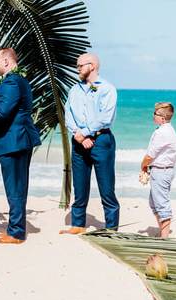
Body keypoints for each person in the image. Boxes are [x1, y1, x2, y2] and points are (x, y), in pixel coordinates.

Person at [0, 48, 41, 244]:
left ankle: (15, 232)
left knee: (14, 187)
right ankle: (16, 228)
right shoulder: (21, 80)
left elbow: (3, 113)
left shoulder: (11, 81)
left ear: (6, 61)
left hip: (14, 141)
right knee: (18, 186)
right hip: (20, 139)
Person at [60, 53, 120, 235]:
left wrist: (86, 133)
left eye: (80, 66)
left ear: (92, 66)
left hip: (102, 141)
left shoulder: (107, 89)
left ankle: (111, 228)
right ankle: (78, 224)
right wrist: (78, 136)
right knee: (80, 185)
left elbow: (105, 117)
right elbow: (67, 114)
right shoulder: (74, 90)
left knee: (106, 187)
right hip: (78, 141)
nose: (77, 69)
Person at [140, 102, 176, 238]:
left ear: (162, 117)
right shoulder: (167, 130)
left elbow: (150, 155)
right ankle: (162, 232)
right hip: (163, 171)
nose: (153, 115)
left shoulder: (163, 132)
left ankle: (164, 237)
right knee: (154, 202)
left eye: (155, 113)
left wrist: (143, 166)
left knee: (161, 204)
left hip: (161, 171)